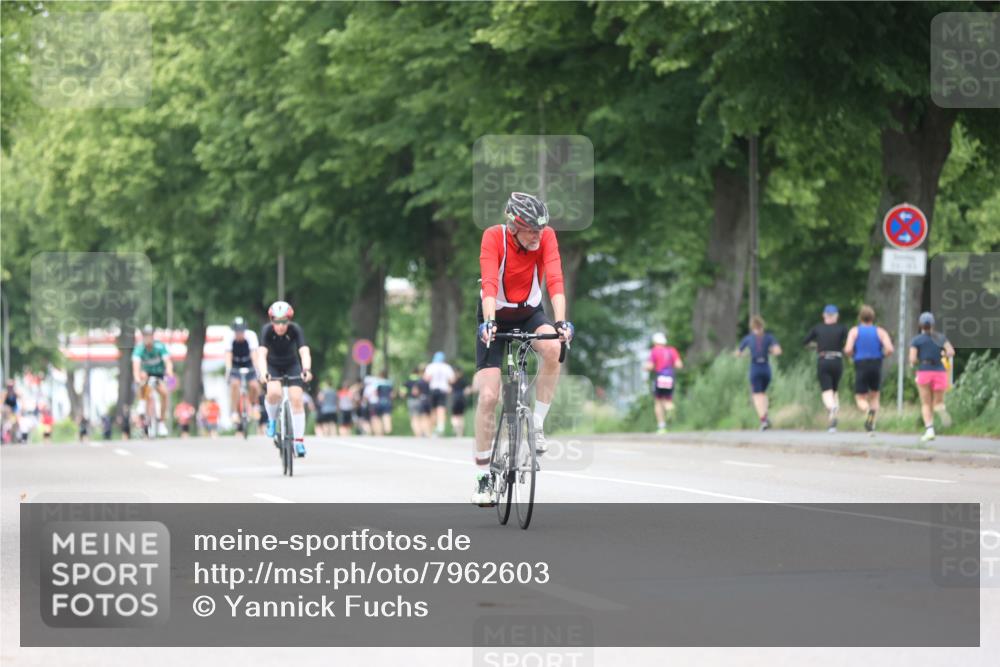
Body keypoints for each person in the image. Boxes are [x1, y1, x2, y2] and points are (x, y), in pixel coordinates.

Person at [473, 192, 575, 505]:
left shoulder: (545, 238)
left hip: (530, 311)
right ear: (514, 226)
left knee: (554, 349)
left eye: (541, 229)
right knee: (489, 396)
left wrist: (561, 323)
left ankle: (538, 424)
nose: (537, 235)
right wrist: (489, 321)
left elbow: (555, 279)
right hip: (495, 316)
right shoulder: (494, 237)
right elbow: (489, 282)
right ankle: (482, 477)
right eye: (531, 229)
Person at [255, 301, 313, 457]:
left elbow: (304, 352)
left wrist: (306, 369)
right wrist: (263, 372)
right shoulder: (267, 331)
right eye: (276, 321)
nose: (280, 326)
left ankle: (299, 442)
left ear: (289, 320)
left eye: (284, 322)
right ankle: (272, 420)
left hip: (292, 365)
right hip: (272, 365)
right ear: (271, 320)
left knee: (296, 398)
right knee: (274, 393)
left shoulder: (295, 330)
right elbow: (261, 354)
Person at [844, 305, 894, 434]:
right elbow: (890, 349)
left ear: (860, 317)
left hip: (861, 363)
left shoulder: (854, 331)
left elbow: (848, 349)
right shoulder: (880, 331)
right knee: (875, 395)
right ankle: (872, 424)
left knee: (860, 397)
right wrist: (882, 355)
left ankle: (868, 411)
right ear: (873, 318)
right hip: (876, 363)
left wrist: (853, 355)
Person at [909, 312, 956, 443]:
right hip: (940, 372)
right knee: (938, 403)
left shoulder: (916, 340)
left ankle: (929, 430)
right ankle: (941, 410)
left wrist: (916, 362)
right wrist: (943, 354)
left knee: (925, 403)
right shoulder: (940, 338)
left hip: (924, 371)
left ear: (920, 325)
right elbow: (951, 351)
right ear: (933, 324)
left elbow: (912, 359)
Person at [803, 305, 848, 432]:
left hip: (823, 360)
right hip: (837, 360)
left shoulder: (818, 328)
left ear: (824, 315)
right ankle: (832, 421)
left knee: (826, 390)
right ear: (836, 316)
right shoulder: (842, 328)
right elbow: (849, 342)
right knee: (834, 389)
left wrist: (817, 346)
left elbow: (805, 341)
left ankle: (832, 407)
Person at [737, 315, 782, 430]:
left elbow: (738, 353)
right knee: (763, 393)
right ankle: (766, 416)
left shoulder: (748, 338)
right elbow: (778, 351)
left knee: (757, 395)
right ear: (763, 326)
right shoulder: (769, 337)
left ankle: (763, 420)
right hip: (766, 368)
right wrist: (769, 351)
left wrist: (746, 354)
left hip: (755, 367)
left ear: (752, 327)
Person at [131, 325, 174, 437]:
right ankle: (142, 402)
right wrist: (136, 378)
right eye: (145, 336)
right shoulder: (139, 349)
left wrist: (169, 372)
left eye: (149, 336)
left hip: (158, 374)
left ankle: (161, 422)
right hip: (145, 375)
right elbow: (136, 366)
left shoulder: (160, 347)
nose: (147, 338)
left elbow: (168, 362)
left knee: (164, 393)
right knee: (142, 378)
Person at [224, 317, 261, 431]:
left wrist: (257, 369)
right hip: (235, 365)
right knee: (235, 384)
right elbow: (228, 356)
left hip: (248, 363)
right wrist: (228, 370)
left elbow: (254, 354)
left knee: (254, 385)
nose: (239, 334)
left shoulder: (251, 336)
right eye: (237, 332)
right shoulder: (229, 338)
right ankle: (234, 411)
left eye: (241, 331)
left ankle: (254, 405)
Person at [644, 332, 683, 434]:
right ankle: (670, 409)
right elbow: (679, 365)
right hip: (670, 377)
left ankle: (661, 426)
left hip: (660, 377)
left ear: (655, 342)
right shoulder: (672, 350)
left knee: (658, 401)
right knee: (668, 399)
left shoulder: (654, 351)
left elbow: (650, 366)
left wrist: (645, 367)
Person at [424, 352, 455, 436]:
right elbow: (452, 379)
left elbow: (426, 378)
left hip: (433, 389)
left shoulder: (430, 366)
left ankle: (433, 428)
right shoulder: (447, 367)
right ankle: (440, 426)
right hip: (443, 390)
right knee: (441, 408)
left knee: (433, 409)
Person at [450, 368, 470, 438]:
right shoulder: (464, 380)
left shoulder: (452, 381)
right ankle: (460, 433)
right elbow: (467, 390)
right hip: (462, 398)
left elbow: (449, 390)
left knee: (454, 415)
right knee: (461, 416)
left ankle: (455, 428)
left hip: (455, 398)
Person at [374, 370, 394, 434]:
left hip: (380, 401)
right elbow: (392, 394)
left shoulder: (377, 383)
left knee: (378, 416)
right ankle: (387, 429)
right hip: (387, 401)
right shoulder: (389, 383)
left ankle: (380, 431)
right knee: (387, 415)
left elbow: (375, 393)